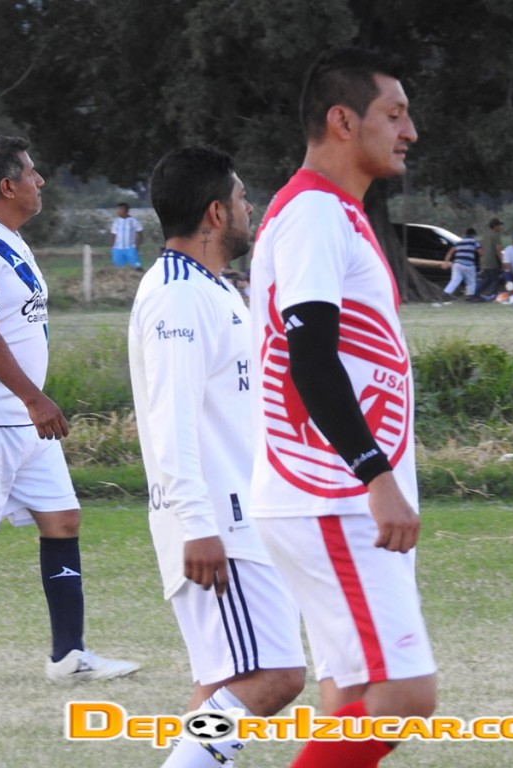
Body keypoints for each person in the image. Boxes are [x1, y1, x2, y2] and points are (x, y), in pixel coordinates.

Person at [248, 49, 437, 768]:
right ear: (342, 120)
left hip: (328, 496)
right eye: (395, 114)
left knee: (354, 693)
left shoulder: (334, 213)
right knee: (405, 694)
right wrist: (375, 474)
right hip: (331, 496)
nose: (409, 131)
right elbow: (311, 358)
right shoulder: (314, 213)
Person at [0, 136, 139, 684]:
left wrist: (30, 401)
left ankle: (69, 657)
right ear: (7, 186)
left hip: (20, 414)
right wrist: (35, 398)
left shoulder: (8, 238)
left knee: (62, 519)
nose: (40, 181)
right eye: (32, 173)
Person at [129, 146, 305, 767]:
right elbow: (169, 419)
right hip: (216, 522)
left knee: (221, 684)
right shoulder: (177, 296)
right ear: (214, 213)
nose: (249, 208)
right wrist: (198, 525)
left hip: (238, 515)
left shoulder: (212, 288)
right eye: (241, 198)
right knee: (274, 677)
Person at [440, 227, 479, 300]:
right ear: (473, 235)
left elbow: (450, 253)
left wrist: (446, 263)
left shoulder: (459, 242)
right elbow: (481, 252)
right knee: (471, 281)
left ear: (466, 234)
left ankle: (446, 293)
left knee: (455, 280)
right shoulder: (474, 242)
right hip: (468, 264)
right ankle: (470, 296)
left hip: (457, 264)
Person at [475, 217, 504, 300]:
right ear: (495, 226)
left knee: (488, 278)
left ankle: (476, 293)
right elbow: (498, 249)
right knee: (495, 279)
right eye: (499, 225)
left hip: (484, 260)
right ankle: (493, 295)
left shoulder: (485, 234)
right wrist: (502, 262)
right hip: (492, 260)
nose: (500, 227)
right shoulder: (496, 235)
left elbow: (480, 247)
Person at [110, 202, 144, 270]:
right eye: (117, 210)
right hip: (118, 248)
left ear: (125, 210)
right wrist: (112, 247)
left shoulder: (133, 221)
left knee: (136, 267)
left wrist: (137, 245)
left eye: (119, 209)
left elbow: (140, 233)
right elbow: (113, 234)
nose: (118, 211)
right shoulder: (116, 222)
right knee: (118, 268)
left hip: (130, 248)